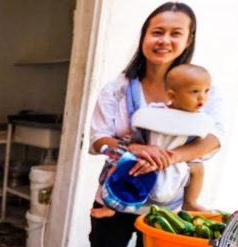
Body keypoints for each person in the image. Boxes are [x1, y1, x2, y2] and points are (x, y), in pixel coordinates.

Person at [73, 2, 225, 247]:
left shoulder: (201, 88)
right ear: (144, 36)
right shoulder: (120, 89)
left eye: (176, 33)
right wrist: (136, 147)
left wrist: (168, 157)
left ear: (188, 39)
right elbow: (97, 140)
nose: (164, 40)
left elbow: (214, 138)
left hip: (166, 203)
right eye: (157, 31)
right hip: (118, 194)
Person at [91, 63, 214, 219]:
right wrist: (134, 149)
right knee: (118, 166)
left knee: (198, 167)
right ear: (172, 96)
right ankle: (109, 204)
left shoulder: (201, 120)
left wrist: (178, 157)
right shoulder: (153, 112)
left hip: (178, 159)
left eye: (206, 91)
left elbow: (201, 145)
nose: (202, 97)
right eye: (195, 92)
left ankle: (190, 201)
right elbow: (136, 135)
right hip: (144, 155)